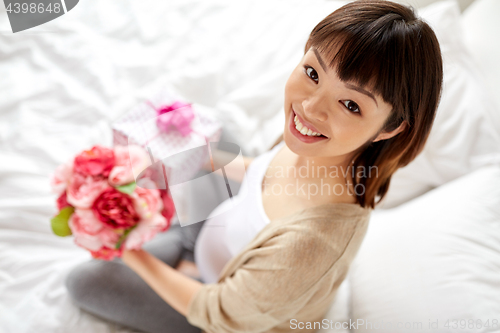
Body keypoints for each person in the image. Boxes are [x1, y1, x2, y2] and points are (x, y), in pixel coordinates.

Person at [65, 1, 443, 332]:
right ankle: (185, 245)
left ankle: (183, 257)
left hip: (218, 308)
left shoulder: (312, 243)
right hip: (217, 236)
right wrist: (192, 154)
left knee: (85, 282)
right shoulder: (316, 144)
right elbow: (264, 171)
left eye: (351, 105)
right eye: (313, 73)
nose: (310, 109)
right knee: (209, 136)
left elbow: (218, 312)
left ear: (390, 128)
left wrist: (129, 249)